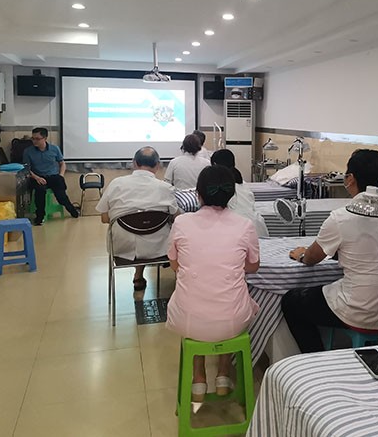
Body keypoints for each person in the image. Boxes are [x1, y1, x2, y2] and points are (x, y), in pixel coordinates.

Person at [281, 149, 378, 353]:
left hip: (365, 312)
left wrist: (301, 254)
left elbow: (311, 258)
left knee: (292, 302)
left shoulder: (341, 217)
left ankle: (315, 359)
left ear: (350, 178)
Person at [166, 165, 260, 401]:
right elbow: (252, 267)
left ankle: (198, 377)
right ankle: (223, 373)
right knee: (229, 303)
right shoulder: (245, 225)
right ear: (232, 194)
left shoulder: (181, 223)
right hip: (232, 320)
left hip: (188, 318)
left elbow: (175, 265)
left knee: (195, 303)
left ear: (198, 194)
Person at [95, 147, 179, 291]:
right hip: (159, 250)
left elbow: (104, 218)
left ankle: (138, 275)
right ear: (158, 165)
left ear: (134, 163)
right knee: (155, 232)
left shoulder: (116, 184)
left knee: (137, 229)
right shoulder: (166, 188)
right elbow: (177, 218)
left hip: (122, 248)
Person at [23, 127, 79, 225]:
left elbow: (62, 163)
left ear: (45, 138)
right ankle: (40, 217)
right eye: (33, 138)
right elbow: (27, 168)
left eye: (37, 139)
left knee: (61, 195)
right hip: (37, 177)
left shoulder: (54, 149)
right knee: (40, 191)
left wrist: (61, 175)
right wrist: (36, 177)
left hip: (53, 176)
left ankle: (72, 210)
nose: (34, 141)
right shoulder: (28, 151)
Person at [211, 148, 269, 237]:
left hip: (239, 230)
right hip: (257, 226)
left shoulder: (219, 187)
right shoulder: (243, 184)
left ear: (214, 164)